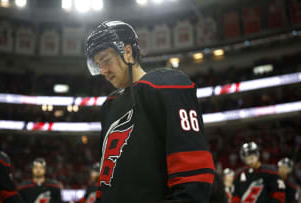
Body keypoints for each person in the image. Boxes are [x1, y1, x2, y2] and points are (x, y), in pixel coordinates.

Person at [84, 20, 215, 203]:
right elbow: (107, 179)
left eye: (106, 60)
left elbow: (194, 173)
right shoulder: (109, 105)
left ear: (127, 52)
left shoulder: (166, 85)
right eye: (98, 64)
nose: (103, 70)